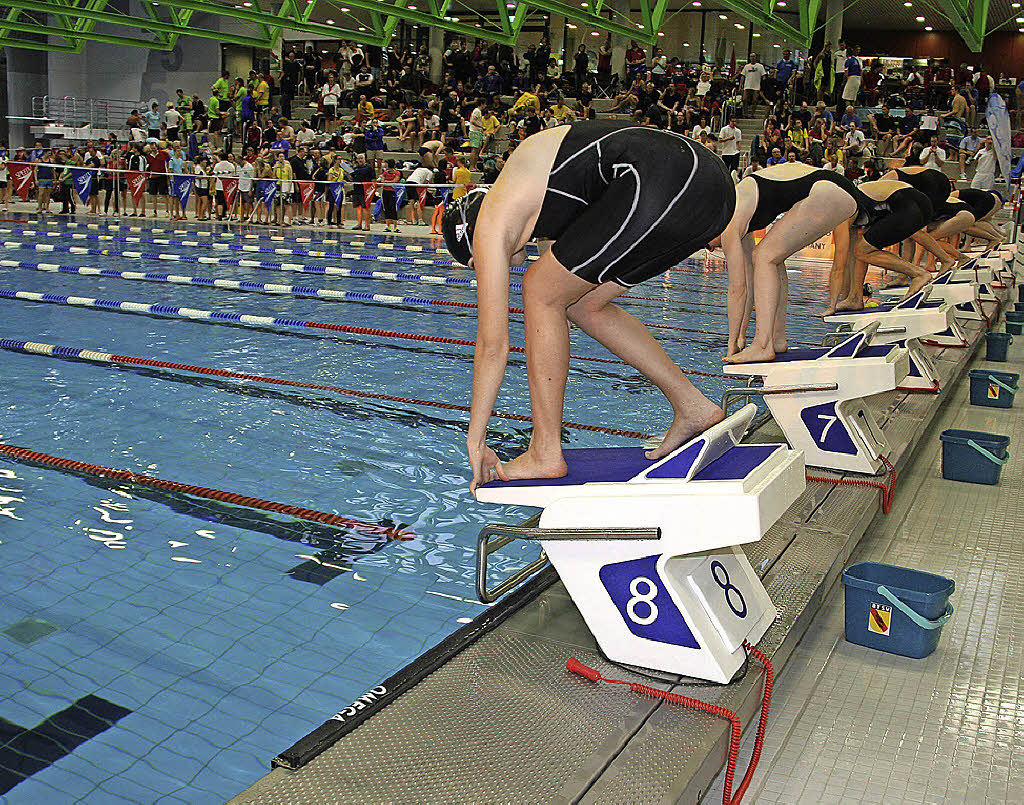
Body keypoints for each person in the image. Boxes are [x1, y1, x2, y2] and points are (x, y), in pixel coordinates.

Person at [441, 120, 735, 489]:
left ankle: (545, 451)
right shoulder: (538, 197)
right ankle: (693, 406)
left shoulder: (491, 220)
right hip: (713, 186)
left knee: (538, 289)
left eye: (476, 266)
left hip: (663, 178)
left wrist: (476, 439)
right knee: (581, 303)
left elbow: (492, 345)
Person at [717, 163, 869, 361]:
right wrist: (739, 338)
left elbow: (737, 290)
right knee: (771, 258)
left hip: (826, 189)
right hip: (833, 189)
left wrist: (731, 343)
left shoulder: (727, 222)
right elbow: (747, 285)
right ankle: (776, 338)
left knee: (764, 256)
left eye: (708, 244)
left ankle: (763, 345)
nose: (713, 248)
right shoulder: (739, 217)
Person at [827, 179, 953, 313]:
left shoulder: (842, 211)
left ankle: (919, 274)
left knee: (861, 250)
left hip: (908, 205)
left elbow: (838, 267)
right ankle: (855, 298)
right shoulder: (858, 201)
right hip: (922, 204)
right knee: (862, 250)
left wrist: (832, 306)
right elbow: (852, 258)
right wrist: (848, 297)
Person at [349, 152, 376, 231]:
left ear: (365, 159)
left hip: (365, 190)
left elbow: (373, 179)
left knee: (366, 208)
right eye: (359, 158)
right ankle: (359, 224)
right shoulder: (355, 169)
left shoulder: (369, 168)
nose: (360, 160)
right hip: (356, 189)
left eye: (362, 158)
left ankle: (367, 225)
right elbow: (352, 178)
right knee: (358, 207)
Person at [741, 54, 767, 118]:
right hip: (747, 85)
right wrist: (740, 86)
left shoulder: (760, 66)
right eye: (751, 56)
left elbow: (764, 76)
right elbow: (743, 76)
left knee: (755, 101)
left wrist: (763, 86)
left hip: (756, 86)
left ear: (756, 57)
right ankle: (746, 114)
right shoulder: (746, 66)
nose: (752, 58)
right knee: (744, 99)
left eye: (754, 56)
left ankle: (752, 114)